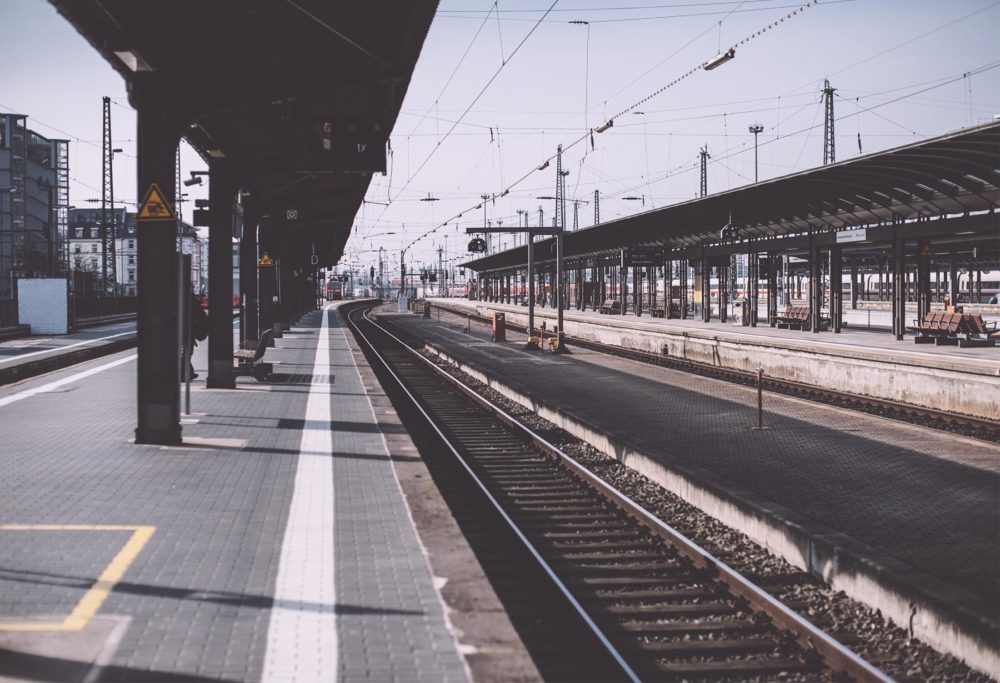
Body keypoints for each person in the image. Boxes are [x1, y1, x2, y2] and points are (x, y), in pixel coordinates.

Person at [189, 292, 209, 380]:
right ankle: (188, 372)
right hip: (190, 329)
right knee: (187, 352)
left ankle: (188, 372)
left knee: (185, 352)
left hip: (187, 329)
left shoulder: (183, 295)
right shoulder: (190, 296)